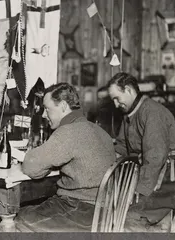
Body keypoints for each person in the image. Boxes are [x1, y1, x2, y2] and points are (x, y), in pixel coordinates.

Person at [15, 82, 116, 232]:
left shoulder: (68, 132)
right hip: (108, 212)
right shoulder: (99, 130)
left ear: (63, 106)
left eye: (47, 109)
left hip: (82, 210)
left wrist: (42, 165)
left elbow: (31, 167)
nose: (43, 114)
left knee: (18, 218)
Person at [106, 72, 175, 229]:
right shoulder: (129, 114)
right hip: (148, 176)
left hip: (167, 180)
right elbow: (123, 146)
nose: (116, 104)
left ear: (129, 90)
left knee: (128, 217)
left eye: (117, 98)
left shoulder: (152, 112)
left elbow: (155, 156)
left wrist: (139, 193)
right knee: (112, 211)